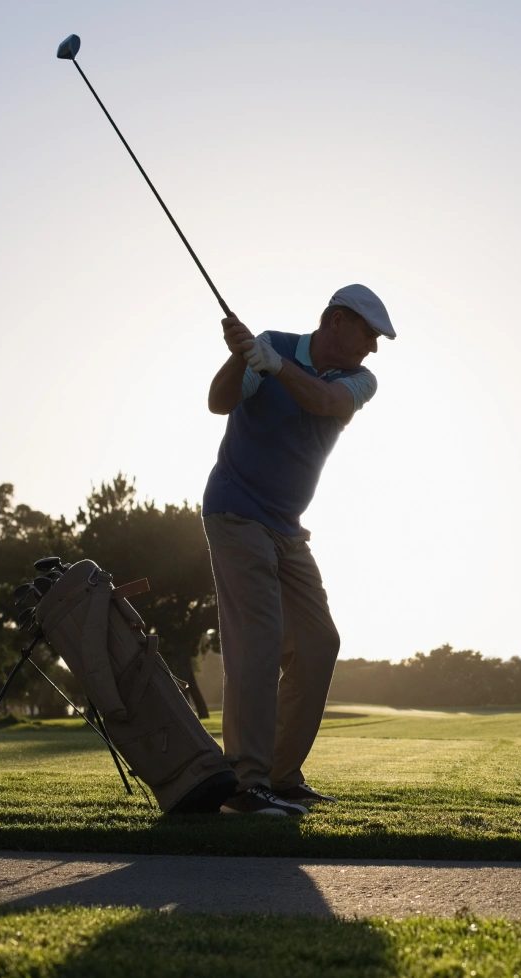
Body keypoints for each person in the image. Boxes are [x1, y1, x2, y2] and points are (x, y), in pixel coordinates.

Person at [203, 284, 394, 816]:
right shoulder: (270, 345)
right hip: (235, 510)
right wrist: (240, 356)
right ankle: (246, 785)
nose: (374, 348)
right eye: (369, 334)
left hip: (288, 527)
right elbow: (220, 401)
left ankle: (281, 777)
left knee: (318, 642)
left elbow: (325, 402)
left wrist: (274, 366)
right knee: (260, 637)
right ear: (337, 321)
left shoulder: (359, 381)